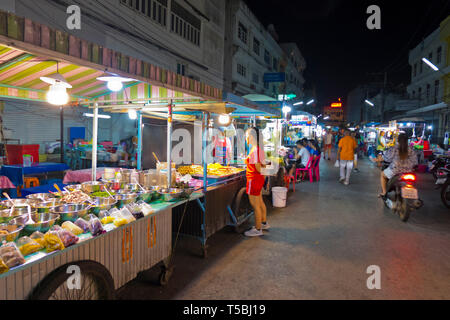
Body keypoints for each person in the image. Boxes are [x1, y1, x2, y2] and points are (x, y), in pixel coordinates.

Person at [244, 127, 270, 237]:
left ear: (251, 137)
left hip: (253, 180)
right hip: (258, 180)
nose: (245, 138)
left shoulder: (255, 151)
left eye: (246, 136)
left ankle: (258, 229)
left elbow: (259, 168)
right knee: (260, 202)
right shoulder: (259, 149)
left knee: (255, 205)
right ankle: (263, 223)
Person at [378, 133, 418, 198]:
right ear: (407, 140)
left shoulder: (394, 148)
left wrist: (382, 158)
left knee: (382, 174)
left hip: (395, 171)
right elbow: (415, 161)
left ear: (398, 140)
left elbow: (387, 158)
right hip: (409, 171)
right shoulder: (411, 148)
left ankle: (384, 192)